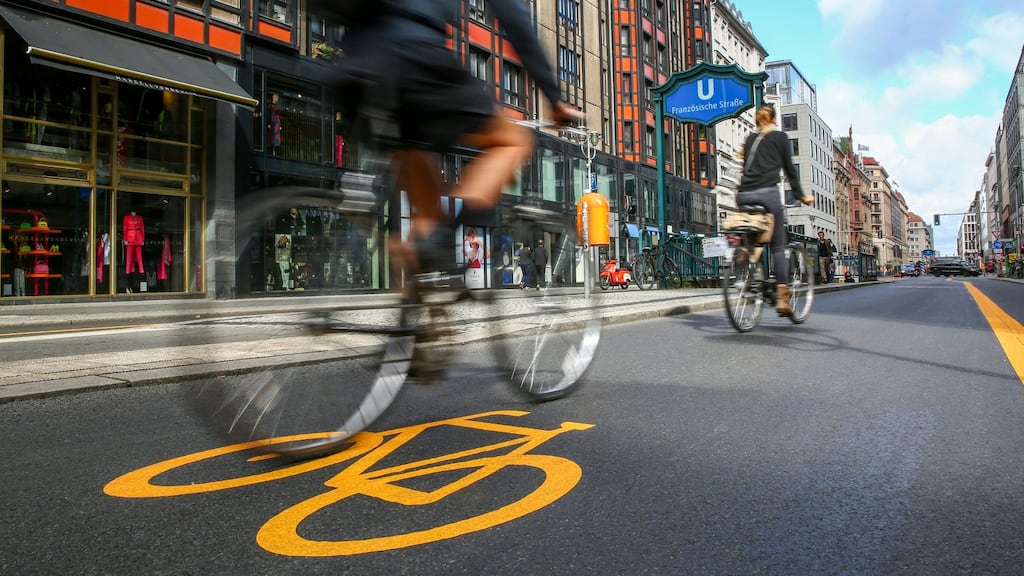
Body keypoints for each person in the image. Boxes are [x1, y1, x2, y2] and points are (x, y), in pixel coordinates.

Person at [326, 0, 583, 273]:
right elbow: (512, 16)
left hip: (352, 73)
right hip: (415, 61)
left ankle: (415, 286)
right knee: (514, 140)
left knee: (424, 212)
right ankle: (444, 235)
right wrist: (554, 98)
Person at [735, 105, 813, 316]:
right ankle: (781, 299)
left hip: (743, 195)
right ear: (774, 120)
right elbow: (790, 170)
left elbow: (744, 169)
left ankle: (748, 258)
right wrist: (801, 196)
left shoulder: (751, 139)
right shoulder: (780, 137)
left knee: (755, 235)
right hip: (766, 194)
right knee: (779, 246)